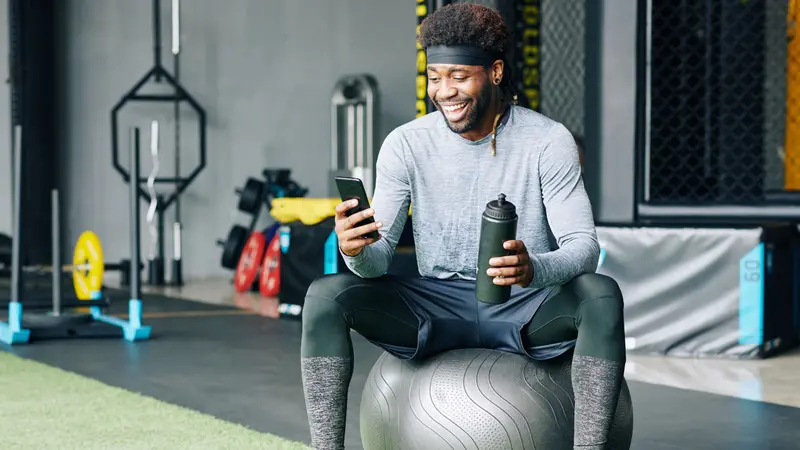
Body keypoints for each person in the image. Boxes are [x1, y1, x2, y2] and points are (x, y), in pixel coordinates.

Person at [300, 4, 626, 450]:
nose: (444, 91)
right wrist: (356, 249)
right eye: (435, 77)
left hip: (525, 304)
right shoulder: (406, 144)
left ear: (494, 72)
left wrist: (534, 269)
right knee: (324, 295)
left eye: (458, 76)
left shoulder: (549, 141)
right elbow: (375, 265)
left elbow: (583, 247)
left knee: (602, 294)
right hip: (436, 302)